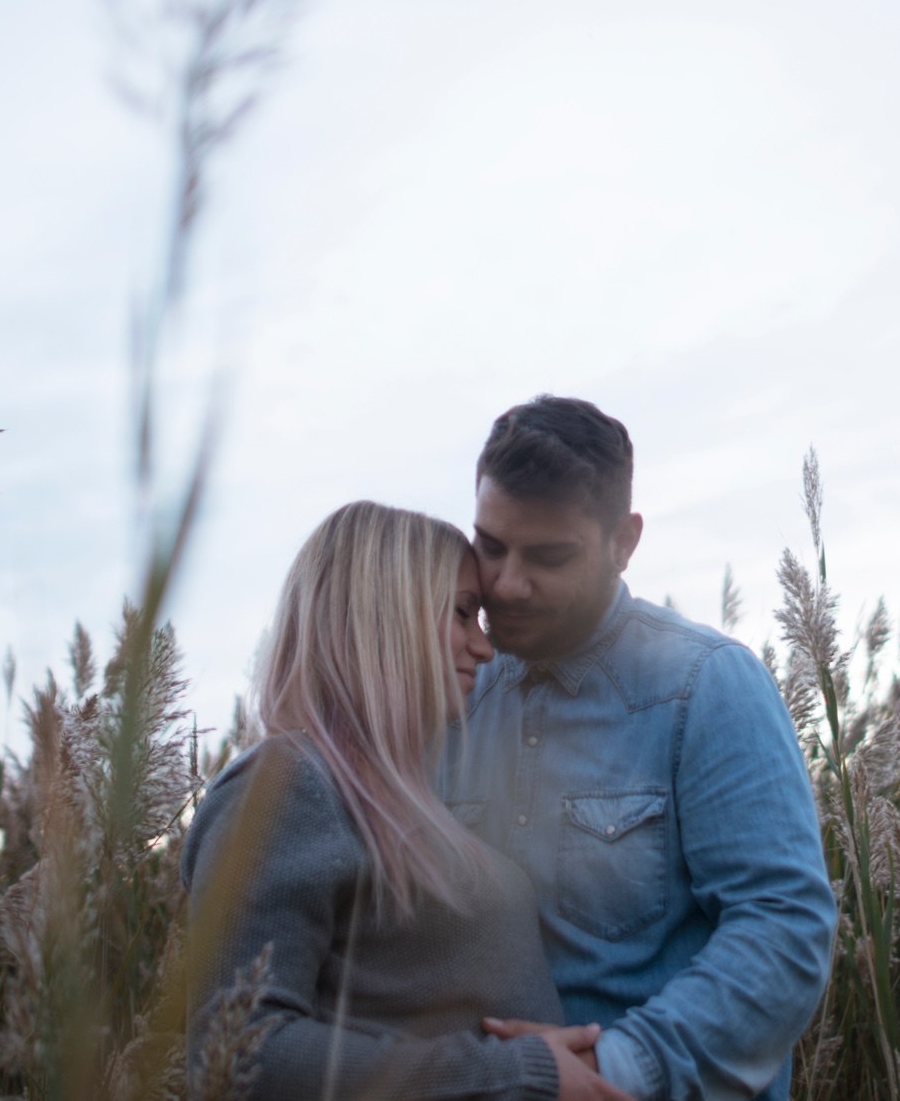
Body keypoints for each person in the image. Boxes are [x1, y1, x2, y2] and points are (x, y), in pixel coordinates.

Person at [443, 397, 837, 1101]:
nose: (506, 583)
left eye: (548, 556)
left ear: (624, 543)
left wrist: (611, 1070)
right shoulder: (453, 695)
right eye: (491, 547)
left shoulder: (707, 686)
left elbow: (783, 929)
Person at [183, 500, 629, 1100]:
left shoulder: (397, 795)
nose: (485, 648)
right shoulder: (285, 786)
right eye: (463, 614)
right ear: (387, 615)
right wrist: (516, 1073)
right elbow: (240, 1053)